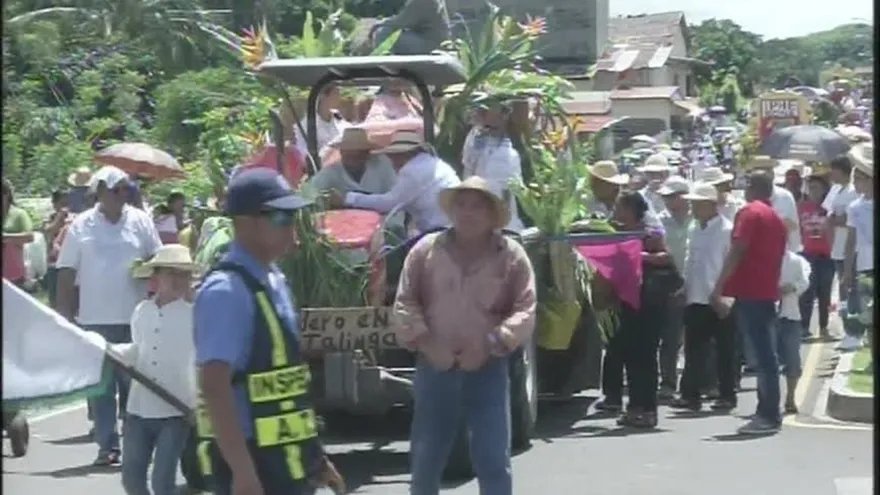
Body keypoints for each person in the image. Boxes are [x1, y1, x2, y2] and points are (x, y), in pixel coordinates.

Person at [193, 168, 344, 495]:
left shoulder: (274, 280)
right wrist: (242, 473)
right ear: (245, 222)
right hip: (253, 462)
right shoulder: (226, 291)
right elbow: (215, 386)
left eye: (293, 216)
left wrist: (315, 458)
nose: (292, 228)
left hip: (286, 461)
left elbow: (287, 383)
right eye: (280, 217)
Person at [394, 176, 536, 495]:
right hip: (435, 365)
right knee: (427, 457)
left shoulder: (510, 255)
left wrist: (490, 345)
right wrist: (428, 344)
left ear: (491, 215)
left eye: (476, 207)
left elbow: (525, 308)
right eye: (461, 205)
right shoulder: (425, 251)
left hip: (487, 367)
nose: (467, 213)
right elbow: (405, 301)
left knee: (493, 458)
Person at [56, 166, 163, 465]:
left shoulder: (141, 222)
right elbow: (66, 271)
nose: (121, 195)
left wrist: (146, 267)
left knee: (135, 387)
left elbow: (158, 260)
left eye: (125, 189)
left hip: (135, 318)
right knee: (101, 389)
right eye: (116, 190)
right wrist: (64, 315)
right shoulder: (81, 226)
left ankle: (136, 443)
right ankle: (107, 445)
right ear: (100, 191)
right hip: (94, 319)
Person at [113, 244, 196, 495]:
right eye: (172, 272)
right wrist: (108, 351)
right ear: (157, 276)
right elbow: (138, 350)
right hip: (139, 409)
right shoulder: (142, 311)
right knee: (132, 479)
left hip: (176, 410)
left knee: (163, 482)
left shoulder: (195, 315)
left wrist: (201, 405)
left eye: (184, 274)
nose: (178, 280)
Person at [712, 170, 787, 435]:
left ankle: (768, 414)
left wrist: (719, 285)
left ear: (751, 187)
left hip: (751, 291)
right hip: (765, 290)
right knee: (765, 354)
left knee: (762, 355)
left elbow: (738, 249)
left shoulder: (750, 213)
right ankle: (766, 411)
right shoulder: (774, 216)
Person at [611, 192, 677, 428]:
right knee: (630, 354)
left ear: (631, 210)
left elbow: (667, 257)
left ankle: (648, 409)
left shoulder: (651, 233)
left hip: (650, 300)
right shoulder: (615, 232)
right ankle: (634, 406)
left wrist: (639, 256)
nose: (616, 211)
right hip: (628, 300)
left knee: (646, 354)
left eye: (621, 207)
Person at [672, 182, 737, 412]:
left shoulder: (727, 230)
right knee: (694, 349)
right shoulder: (694, 229)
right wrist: (685, 287)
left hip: (720, 299)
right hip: (696, 297)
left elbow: (731, 264)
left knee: (725, 350)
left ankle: (727, 394)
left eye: (697, 204)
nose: (693, 208)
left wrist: (725, 296)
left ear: (711, 205)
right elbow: (692, 262)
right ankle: (691, 395)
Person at [327, 129, 460, 234]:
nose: (393, 160)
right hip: (448, 224)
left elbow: (389, 203)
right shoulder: (429, 163)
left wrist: (347, 198)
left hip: (440, 229)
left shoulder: (413, 171)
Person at [462, 98, 525, 232]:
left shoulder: (508, 154)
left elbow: (509, 191)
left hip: (502, 225)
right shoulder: (474, 138)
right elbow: (468, 171)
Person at [655, 176, 691, 399]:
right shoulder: (660, 222)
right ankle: (668, 382)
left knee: (697, 336)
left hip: (697, 280)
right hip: (670, 281)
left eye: (671, 197)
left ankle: (697, 383)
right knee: (670, 335)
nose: (667, 201)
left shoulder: (698, 219)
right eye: (665, 197)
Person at [822, 154, 861, 343]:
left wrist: (836, 219)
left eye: (834, 169)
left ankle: (855, 333)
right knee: (844, 291)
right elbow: (829, 213)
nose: (831, 173)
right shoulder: (837, 190)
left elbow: (850, 219)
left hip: (850, 248)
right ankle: (849, 330)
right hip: (837, 248)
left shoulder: (853, 191)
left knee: (851, 288)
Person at [839, 143, 874, 352]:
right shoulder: (854, 206)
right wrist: (846, 271)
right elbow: (850, 241)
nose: (856, 183)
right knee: (867, 313)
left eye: (859, 179)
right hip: (864, 266)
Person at [306, 127, 397, 195]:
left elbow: (395, 195)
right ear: (341, 152)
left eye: (358, 154)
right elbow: (308, 192)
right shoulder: (332, 172)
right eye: (349, 154)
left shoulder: (382, 164)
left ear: (367, 153)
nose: (353, 159)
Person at [798, 175, 834, 339]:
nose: (812, 191)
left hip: (826, 255)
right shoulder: (801, 207)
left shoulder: (829, 208)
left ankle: (824, 327)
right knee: (807, 292)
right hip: (807, 254)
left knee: (824, 293)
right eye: (810, 188)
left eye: (816, 188)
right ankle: (804, 327)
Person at [777, 249, 811, 415]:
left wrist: (793, 287)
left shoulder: (795, 260)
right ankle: (766, 401)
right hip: (767, 315)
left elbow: (804, 282)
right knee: (767, 361)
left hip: (790, 315)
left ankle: (790, 397)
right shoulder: (761, 257)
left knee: (792, 359)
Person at [370, 0, 450, 55]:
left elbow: (400, 22)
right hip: (432, 41)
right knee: (389, 30)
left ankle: (387, 63)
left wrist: (377, 24)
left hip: (430, 44)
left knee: (384, 31)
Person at [293, 84, 350, 159]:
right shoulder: (306, 124)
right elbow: (303, 152)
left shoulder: (337, 116)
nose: (339, 98)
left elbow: (350, 131)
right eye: (335, 94)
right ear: (323, 96)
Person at [2, 178, 35, 288]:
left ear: (6, 194)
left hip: (14, 276)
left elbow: (30, 236)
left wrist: (6, 237)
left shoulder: (19, 214)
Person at [42, 189, 70, 307]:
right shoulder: (48, 220)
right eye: (62, 204)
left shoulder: (76, 219)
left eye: (67, 203)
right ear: (54, 204)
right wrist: (59, 218)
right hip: (54, 264)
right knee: (54, 300)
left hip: (71, 263)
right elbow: (48, 231)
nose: (66, 207)